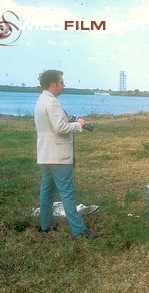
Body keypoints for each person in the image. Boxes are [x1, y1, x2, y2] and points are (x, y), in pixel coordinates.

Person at [34, 69, 100, 239]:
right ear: (53, 84)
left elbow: (54, 125)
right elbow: (60, 128)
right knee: (68, 194)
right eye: (61, 82)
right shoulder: (53, 103)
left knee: (46, 192)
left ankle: (45, 225)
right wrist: (78, 124)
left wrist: (70, 121)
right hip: (59, 156)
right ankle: (79, 231)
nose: (63, 85)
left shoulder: (41, 100)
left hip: (46, 154)